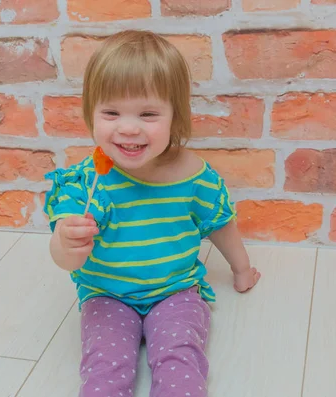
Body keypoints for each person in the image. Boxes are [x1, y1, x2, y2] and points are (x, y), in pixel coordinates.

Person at [43, 30, 261, 397]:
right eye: (111, 112)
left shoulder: (194, 177)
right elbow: (62, 253)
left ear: (176, 117)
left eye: (148, 113)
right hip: (107, 293)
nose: (128, 127)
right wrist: (66, 244)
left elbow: (220, 223)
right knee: (105, 370)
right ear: (91, 114)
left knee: (180, 362)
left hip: (175, 291)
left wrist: (241, 269)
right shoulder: (88, 182)